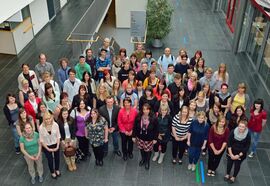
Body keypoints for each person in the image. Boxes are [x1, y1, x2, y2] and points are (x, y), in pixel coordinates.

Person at [224, 120, 251, 184]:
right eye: (240, 126)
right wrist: (231, 154)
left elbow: (247, 146)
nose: (241, 128)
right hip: (231, 151)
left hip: (240, 154)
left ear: (245, 127)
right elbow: (229, 143)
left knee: (237, 165)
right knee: (229, 163)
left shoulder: (248, 134)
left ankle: (233, 177)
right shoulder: (233, 131)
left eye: (243, 127)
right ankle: (227, 174)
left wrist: (238, 156)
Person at [133, 103, 158, 170]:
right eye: (144, 109)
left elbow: (156, 129)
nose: (145, 111)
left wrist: (155, 138)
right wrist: (133, 136)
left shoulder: (154, 118)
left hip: (149, 138)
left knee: (148, 151)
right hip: (140, 137)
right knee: (141, 149)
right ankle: (143, 159)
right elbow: (135, 126)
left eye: (147, 109)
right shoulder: (139, 116)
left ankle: (147, 161)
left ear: (149, 110)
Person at [39, 112, 61, 179]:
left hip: (56, 144)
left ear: (51, 118)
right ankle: (52, 172)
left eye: (49, 118)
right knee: (50, 160)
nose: (48, 120)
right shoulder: (41, 127)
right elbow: (41, 140)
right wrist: (48, 149)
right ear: (43, 119)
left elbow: (58, 136)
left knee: (57, 158)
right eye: (46, 119)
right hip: (47, 146)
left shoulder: (55, 125)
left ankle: (57, 169)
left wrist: (57, 146)